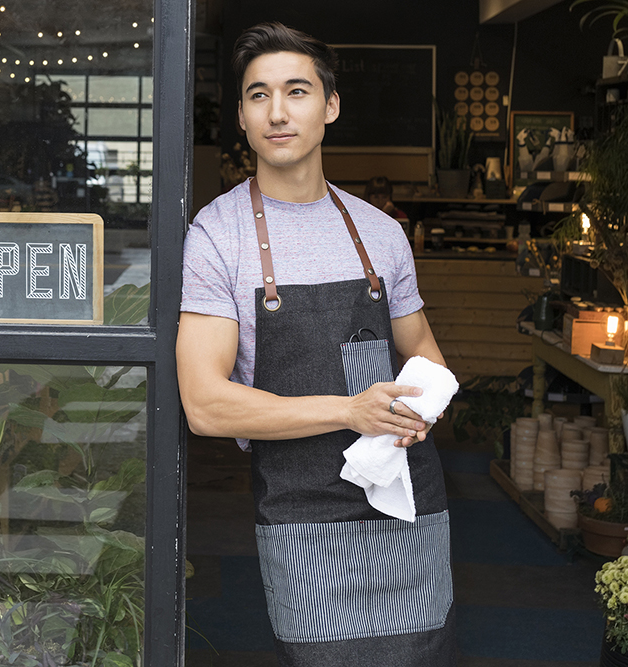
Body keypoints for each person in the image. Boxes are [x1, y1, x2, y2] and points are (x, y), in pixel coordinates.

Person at [176, 22, 455, 665]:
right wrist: (348, 410)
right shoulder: (218, 236)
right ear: (241, 117)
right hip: (300, 509)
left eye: (297, 91)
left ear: (329, 106)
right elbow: (207, 404)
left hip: (403, 498)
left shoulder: (382, 234)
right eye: (258, 95)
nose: (278, 112)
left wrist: (419, 408)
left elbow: (427, 355)